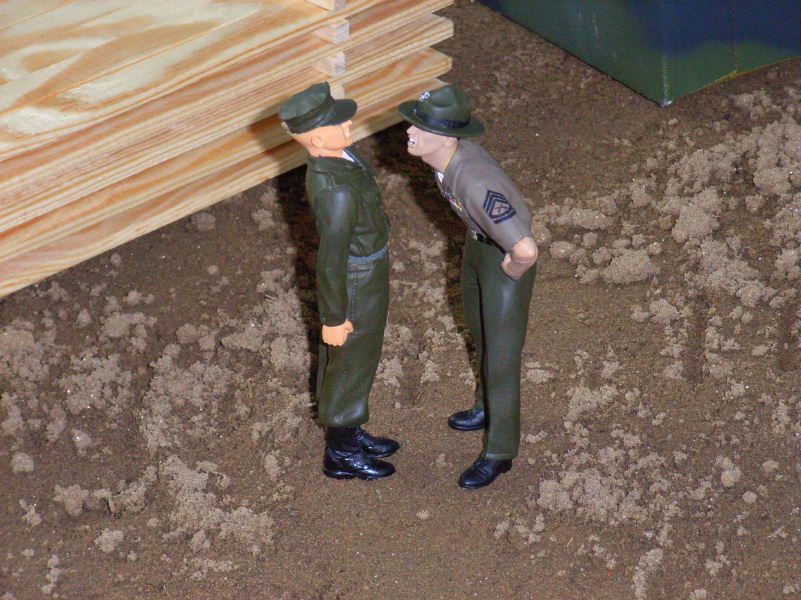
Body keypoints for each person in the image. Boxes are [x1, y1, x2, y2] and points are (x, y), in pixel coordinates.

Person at [399, 85, 538, 489]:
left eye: (421, 128)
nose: (410, 131)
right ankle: (486, 406)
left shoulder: (475, 182)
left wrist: (511, 271)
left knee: (501, 359)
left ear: (446, 138)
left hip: (501, 260)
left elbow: (525, 249)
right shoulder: (445, 160)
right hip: (478, 249)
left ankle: (500, 451)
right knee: (480, 335)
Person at [279, 82, 398, 480]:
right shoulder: (335, 190)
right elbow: (330, 261)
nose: (348, 126)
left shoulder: (342, 158)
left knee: (362, 356)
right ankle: (342, 452)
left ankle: (351, 431)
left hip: (369, 266)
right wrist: (333, 318)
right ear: (316, 138)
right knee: (350, 360)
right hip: (356, 277)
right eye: (338, 124)